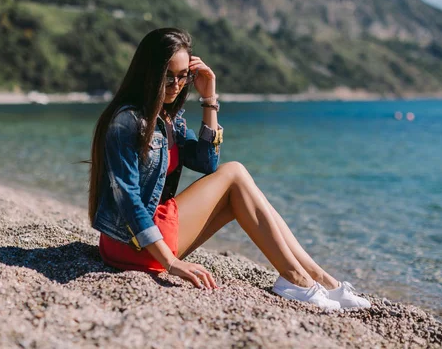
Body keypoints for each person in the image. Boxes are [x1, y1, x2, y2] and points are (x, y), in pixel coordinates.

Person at [87, 28, 370, 310]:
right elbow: (128, 199)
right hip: (131, 243)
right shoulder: (127, 121)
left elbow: (206, 163)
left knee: (240, 192)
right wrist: (171, 263)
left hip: (151, 237)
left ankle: (316, 278)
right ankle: (297, 278)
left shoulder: (169, 118)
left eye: (184, 75)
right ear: (149, 73)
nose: (176, 84)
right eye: (168, 76)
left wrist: (209, 98)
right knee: (234, 173)